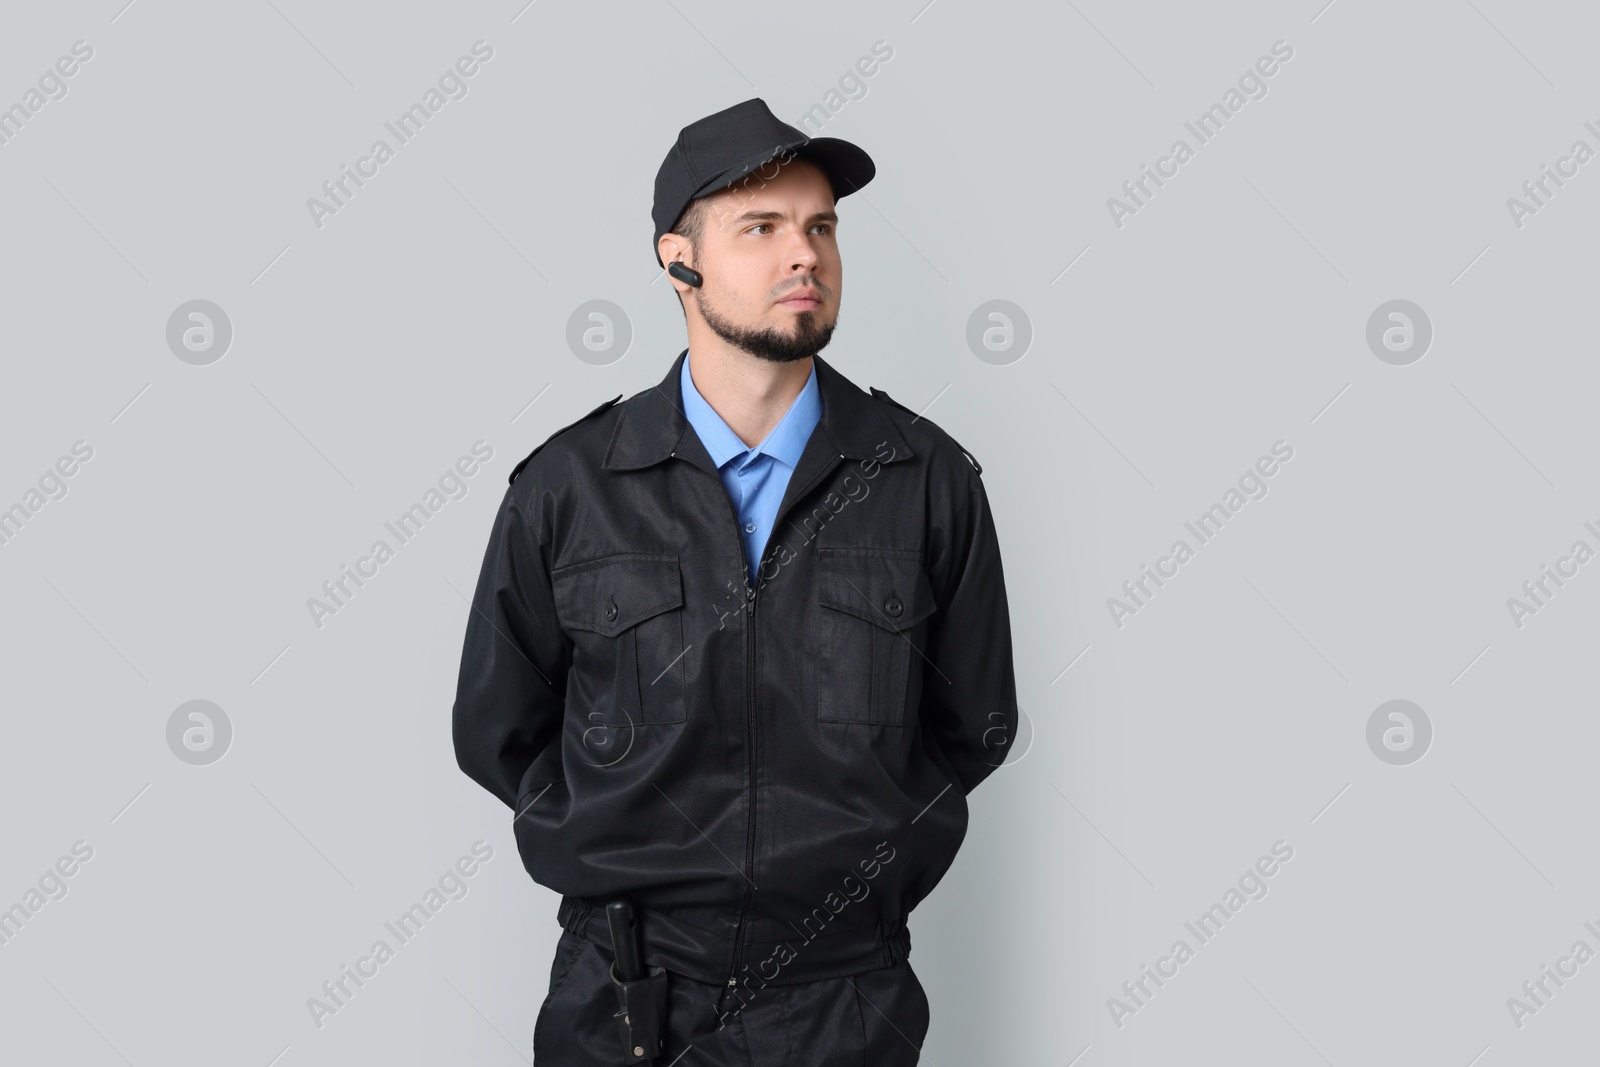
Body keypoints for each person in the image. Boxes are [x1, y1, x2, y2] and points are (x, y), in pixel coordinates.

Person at [452, 97, 1018, 1065]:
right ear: (679, 257)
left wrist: (857, 876)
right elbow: (496, 731)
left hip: (847, 1010)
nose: (805, 254)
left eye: (821, 226)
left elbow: (975, 729)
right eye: (761, 228)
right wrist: (616, 856)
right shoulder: (568, 490)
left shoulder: (925, 485)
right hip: (623, 1011)